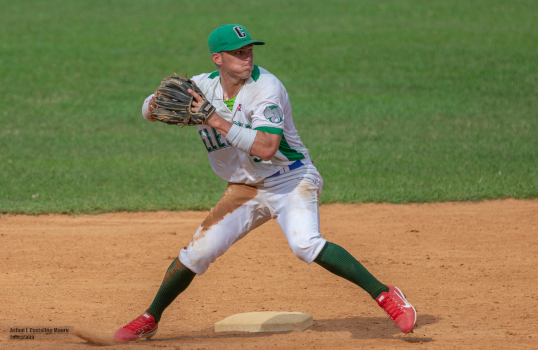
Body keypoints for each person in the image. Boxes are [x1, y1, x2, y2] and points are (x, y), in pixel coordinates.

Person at [114, 24, 416, 342]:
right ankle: (150, 318)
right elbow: (150, 108)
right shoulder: (201, 87)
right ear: (217, 58)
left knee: (305, 244)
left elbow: (267, 148)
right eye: (238, 52)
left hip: (291, 180)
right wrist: (157, 106)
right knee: (197, 253)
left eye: (249, 50)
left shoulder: (266, 87)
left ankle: (386, 296)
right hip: (243, 189)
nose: (247, 57)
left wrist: (213, 118)